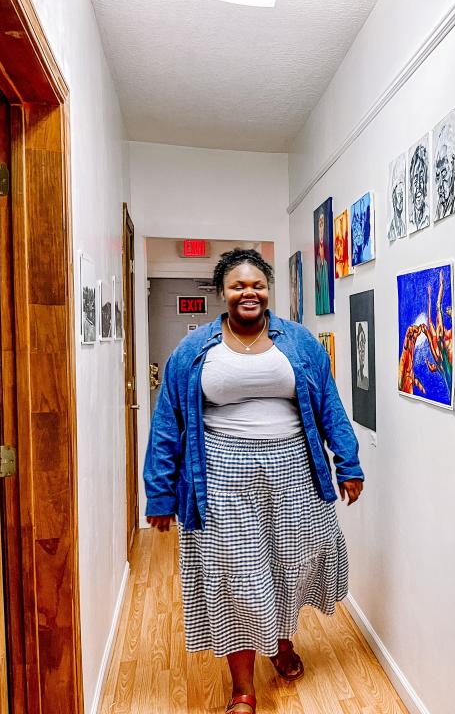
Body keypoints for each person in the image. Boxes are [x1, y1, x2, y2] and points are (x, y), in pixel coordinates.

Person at [144, 248, 364, 714]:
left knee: (290, 563)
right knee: (236, 575)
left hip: (294, 469)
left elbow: (329, 405)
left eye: (257, 284)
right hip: (220, 473)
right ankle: (243, 687)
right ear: (223, 293)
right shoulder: (195, 350)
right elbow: (168, 424)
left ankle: (280, 641)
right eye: (238, 285)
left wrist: (348, 463)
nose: (249, 292)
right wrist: (160, 493)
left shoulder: (300, 342)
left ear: (268, 290)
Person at [409, 143, 430, 230]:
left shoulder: (429, 215)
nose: (418, 186)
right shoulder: (409, 222)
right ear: (410, 187)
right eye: (415, 180)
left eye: (421, 179)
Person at [315, 209, 331, 313]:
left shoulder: (328, 254)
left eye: (322, 223)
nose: (321, 227)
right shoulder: (316, 257)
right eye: (319, 223)